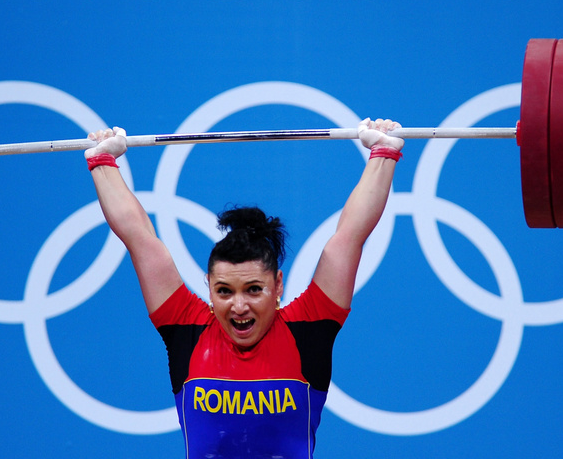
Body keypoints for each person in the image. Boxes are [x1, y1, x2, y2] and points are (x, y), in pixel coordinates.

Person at [85, 118, 403, 459]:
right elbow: (140, 240)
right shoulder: (186, 329)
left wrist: (383, 154)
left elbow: (349, 238)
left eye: (253, 289)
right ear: (208, 287)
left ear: (277, 285)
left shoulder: (309, 328)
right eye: (224, 291)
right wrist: (103, 161)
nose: (239, 306)